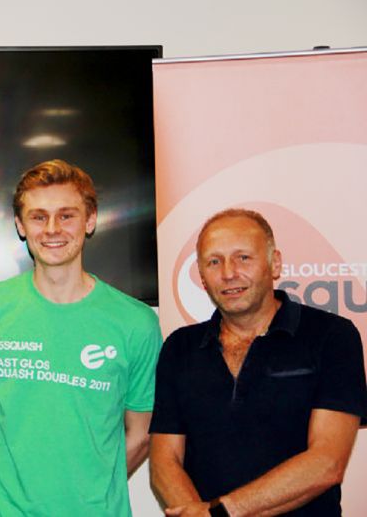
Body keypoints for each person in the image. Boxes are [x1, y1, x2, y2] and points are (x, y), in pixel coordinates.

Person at [0, 159, 162, 516]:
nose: (52, 229)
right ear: (20, 225)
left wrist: (90, 488)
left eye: (67, 215)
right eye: (39, 216)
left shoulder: (136, 323)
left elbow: (142, 432)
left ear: (90, 220)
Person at [149, 208, 367, 516]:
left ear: (274, 263)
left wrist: (220, 513)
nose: (228, 273)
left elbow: (327, 462)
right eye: (214, 261)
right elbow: (164, 461)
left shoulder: (331, 336)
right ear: (201, 275)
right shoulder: (179, 347)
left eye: (243, 258)